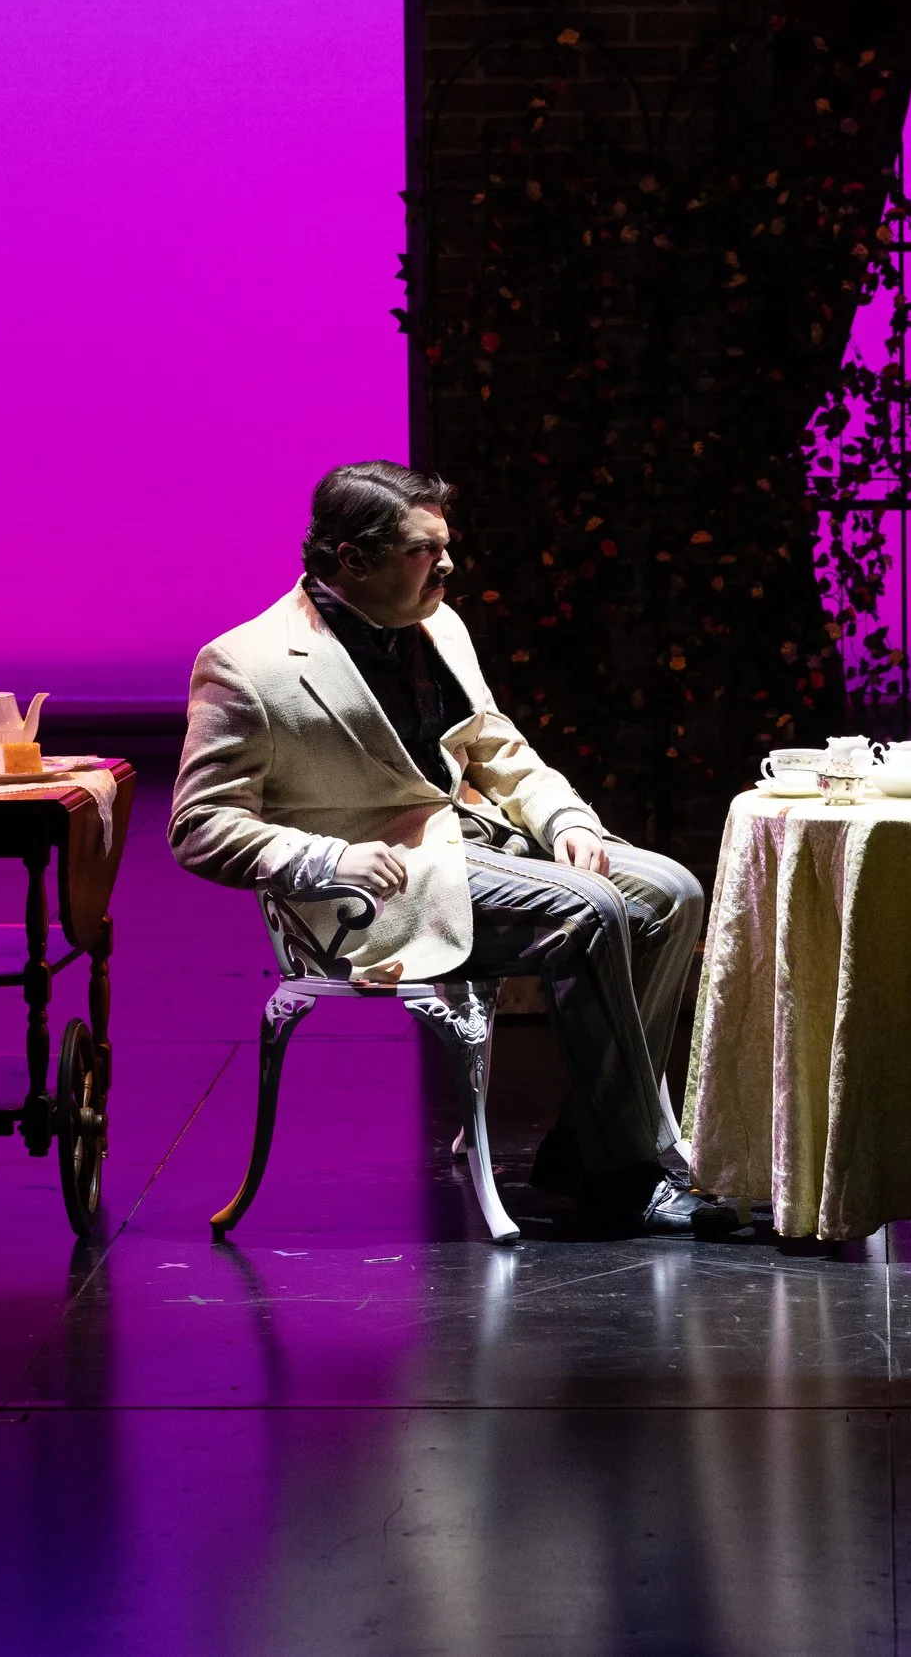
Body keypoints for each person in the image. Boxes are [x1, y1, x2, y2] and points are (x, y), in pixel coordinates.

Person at [170, 461, 730, 1237]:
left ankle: (584, 1146)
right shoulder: (247, 663)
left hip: (476, 844)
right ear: (352, 558)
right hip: (378, 892)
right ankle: (624, 1176)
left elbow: (497, 748)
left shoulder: (440, 626)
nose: (448, 564)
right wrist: (324, 858)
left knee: (671, 891)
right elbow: (198, 824)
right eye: (423, 550)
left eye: (444, 545)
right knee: (591, 909)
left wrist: (567, 819)